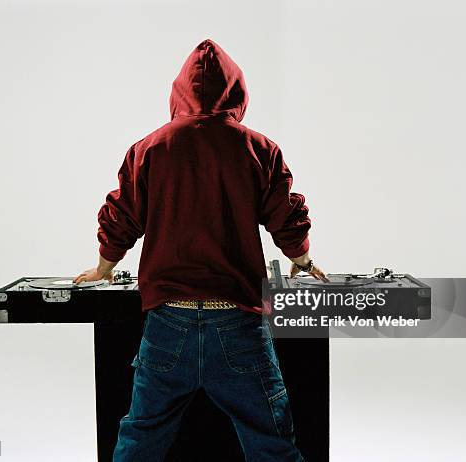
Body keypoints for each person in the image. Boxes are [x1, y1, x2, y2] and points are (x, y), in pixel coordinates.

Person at [74, 38, 328, 462]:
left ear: (177, 93)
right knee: (271, 441)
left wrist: (104, 268)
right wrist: (302, 258)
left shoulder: (149, 148)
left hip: (167, 321)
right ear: (237, 92)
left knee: (141, 438)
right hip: (238, 321)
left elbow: (120, 215)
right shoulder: (258, 148)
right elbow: (285, 212)